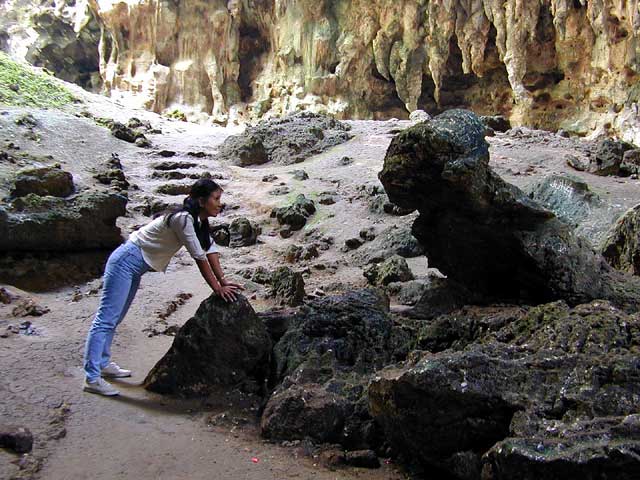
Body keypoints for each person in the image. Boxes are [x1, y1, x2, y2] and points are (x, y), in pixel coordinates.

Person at [82, 179, 242, 396]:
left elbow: (210, 249)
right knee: (106, 318)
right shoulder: (183, 219)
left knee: (115, 317)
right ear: (202, 201)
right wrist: (217, 289)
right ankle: (92, 377)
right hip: (124, 261)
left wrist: (223, 281)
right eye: (216, 199)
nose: (219, 204)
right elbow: (199, 257)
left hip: (133, 266)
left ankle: (102, 363)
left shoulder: (198, 221)